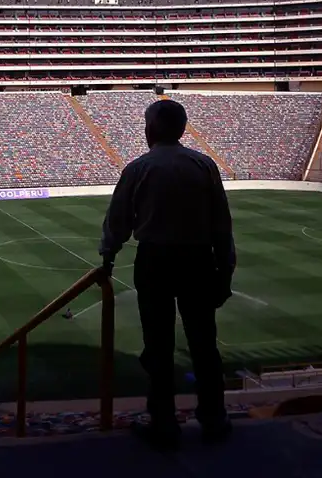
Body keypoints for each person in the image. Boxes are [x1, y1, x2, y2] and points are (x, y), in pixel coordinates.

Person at [99, 98, 236, 451]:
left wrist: (108, 257)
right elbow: (222, 224)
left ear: (151, 129)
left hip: (155, 261)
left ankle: (164, 423)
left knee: (158, 345)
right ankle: (214, 418)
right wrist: (225, 272)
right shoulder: (204, 165)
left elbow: (118, 221)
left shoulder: (139, 167)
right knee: (204, 344)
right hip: (198, 261)